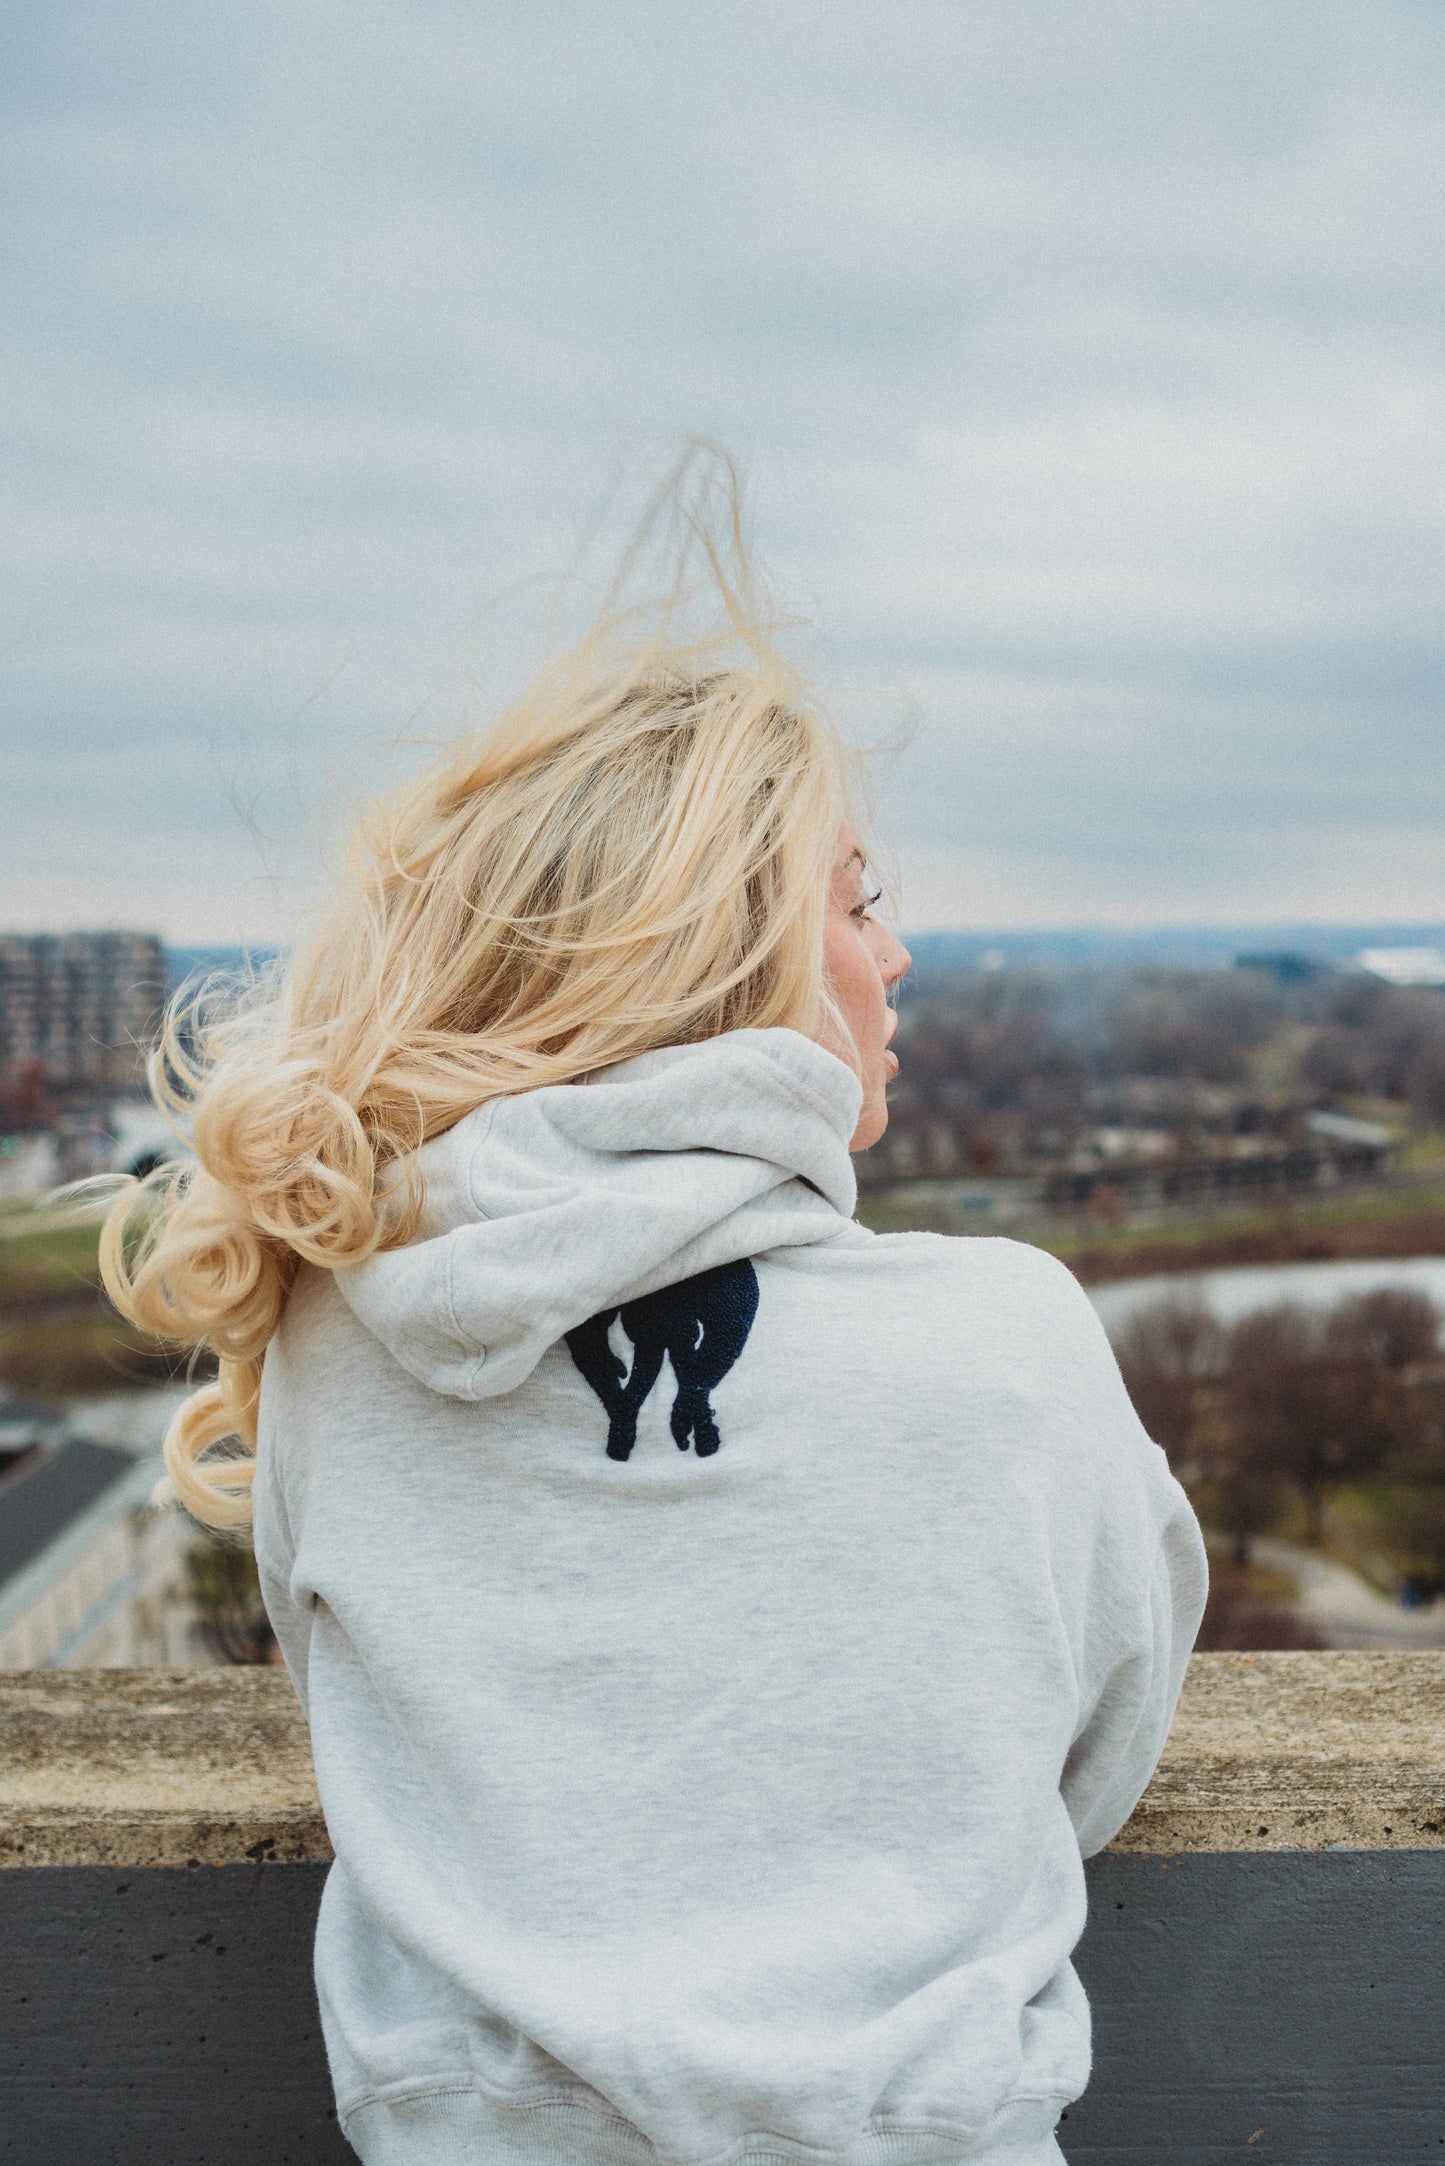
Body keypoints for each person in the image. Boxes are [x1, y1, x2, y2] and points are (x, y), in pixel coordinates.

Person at [102, 471, 1206, 2166]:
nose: (893, 954)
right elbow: (1088, 1755)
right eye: (852, 899)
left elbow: (365, 1732)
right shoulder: (1010, 1337)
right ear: (724, 958)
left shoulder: (344, 1342)